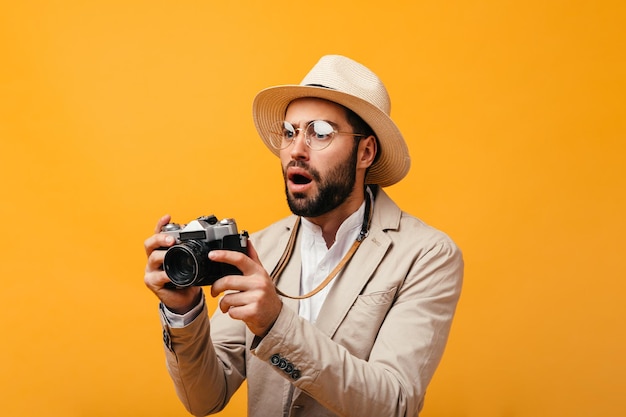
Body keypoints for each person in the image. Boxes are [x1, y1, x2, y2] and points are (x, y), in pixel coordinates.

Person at [143, 55, 463, 417]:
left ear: (366, 152)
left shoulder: (426, 254)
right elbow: (205, 399)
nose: (296, 150)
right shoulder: (260, 250)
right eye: (289, 132)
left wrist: (276, 324)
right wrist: (183, 310)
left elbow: (394, 404)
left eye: (321, 132)